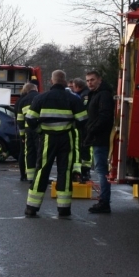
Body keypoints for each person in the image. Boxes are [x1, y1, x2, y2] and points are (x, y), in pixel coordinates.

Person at [24, 70, 87, 218]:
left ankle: (31, 208)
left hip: (47, 138)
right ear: (65, 82)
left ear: (52, 81)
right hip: (67, 138)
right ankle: (64, 209)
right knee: (64, 172)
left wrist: (41, 130)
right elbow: (83, 121)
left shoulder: (41, 98)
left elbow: (30, 119)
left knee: (42, 171)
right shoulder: (73, 99)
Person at [84, 70, 115, 214]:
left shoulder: (103, 95)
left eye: (92, 80)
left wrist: (92, 131)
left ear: (99, 80)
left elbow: (104, 116)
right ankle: (103, 200)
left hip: (101, 138)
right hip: (98, 137)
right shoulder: (97, 94)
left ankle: (104, 202)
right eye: (88, 80)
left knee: (102, 170)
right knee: (101, 169)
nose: (90, 83)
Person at [14, 82, 39, 182]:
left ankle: (29, 177)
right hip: (39, 129)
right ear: (35, 89)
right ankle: (39, 175)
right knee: (40, 152)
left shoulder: (22, 101)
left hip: (28, 130)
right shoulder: (40, 97)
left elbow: (20, 120)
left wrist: (22, 136)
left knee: (29, 153)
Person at [70, 78, 91, 181]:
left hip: (84, 126)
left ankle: (84, 171)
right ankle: (85, 171)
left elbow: (82, 112)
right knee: (85, 148)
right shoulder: (86, 93)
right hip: (87, 125)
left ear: (78, 86)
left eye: (73, 87)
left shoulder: (84, 96)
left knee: (82, 148)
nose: (73, 89)